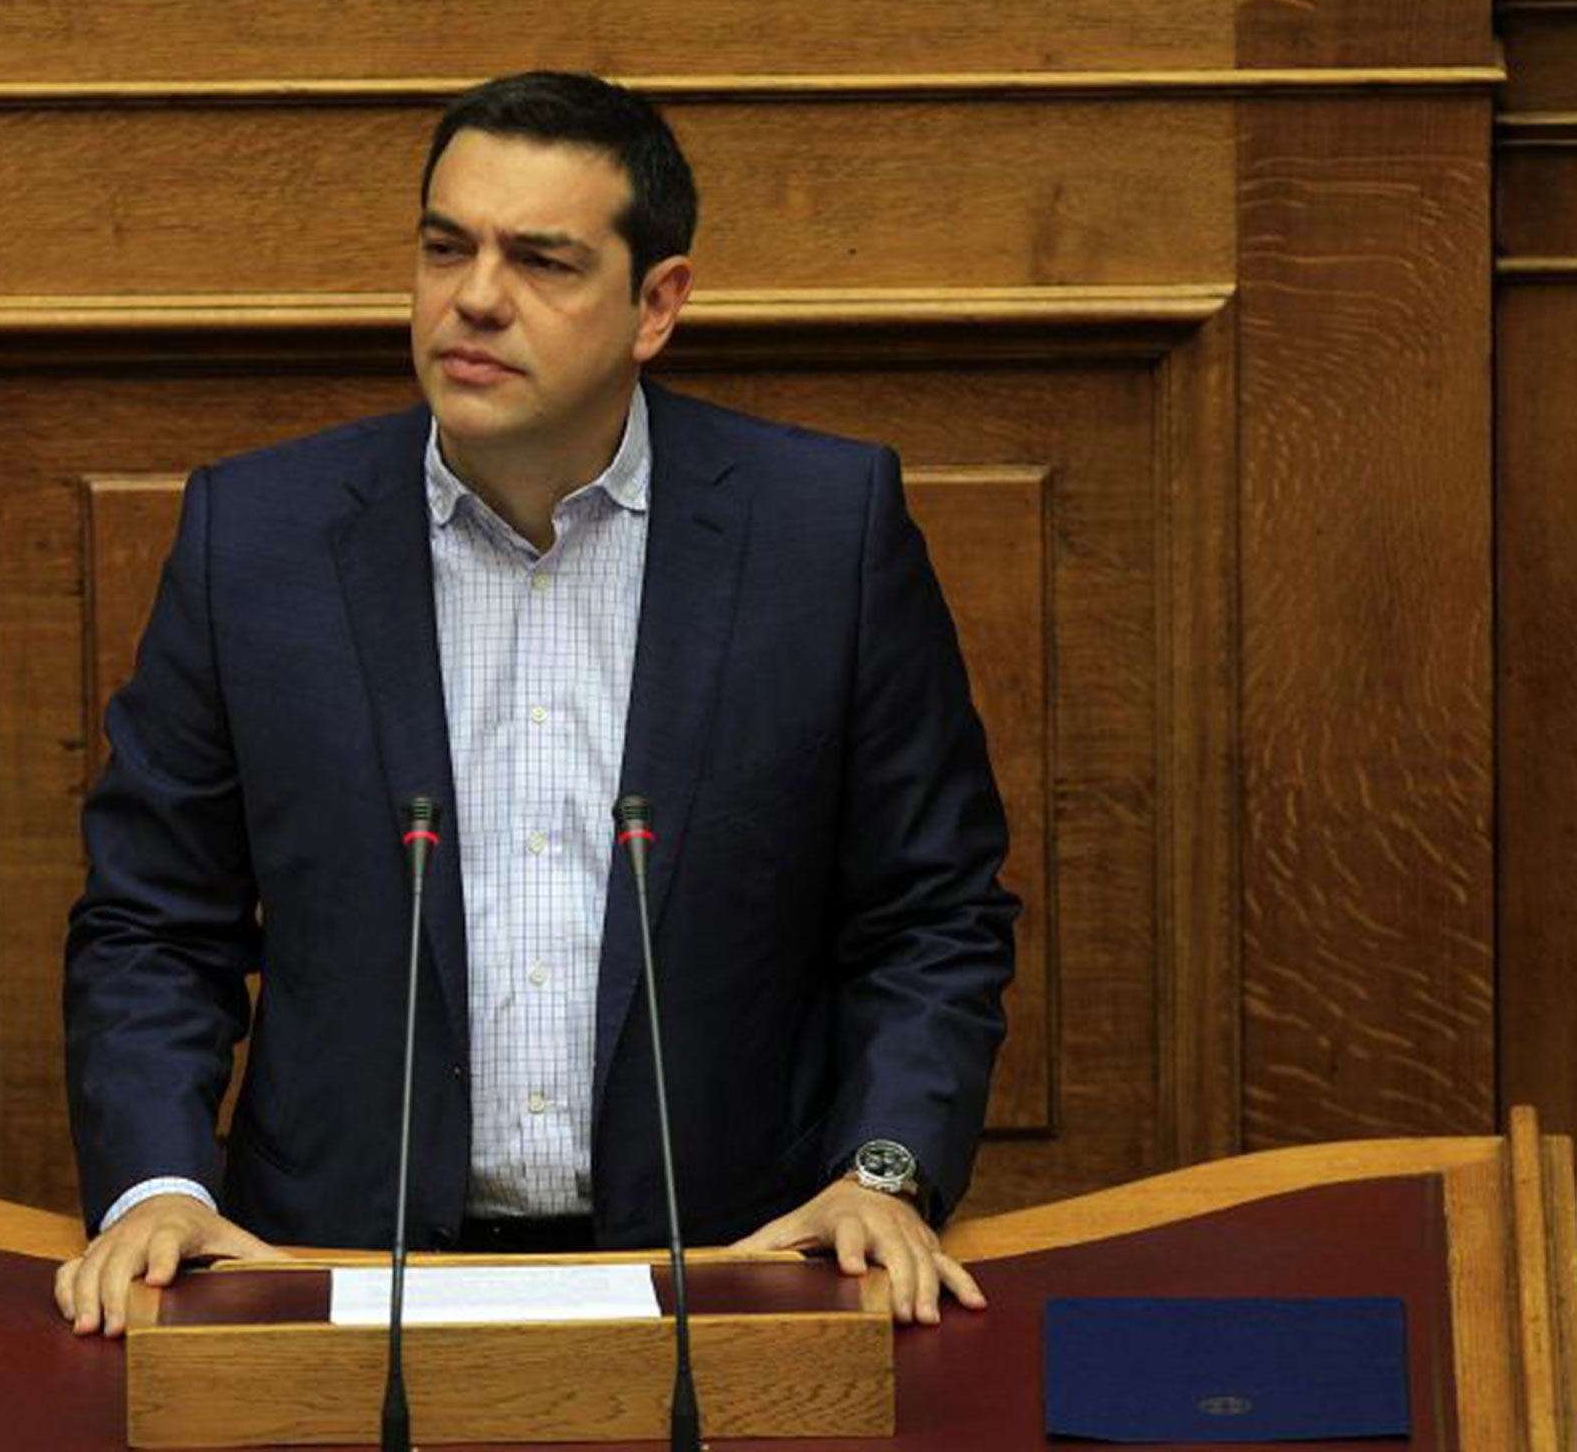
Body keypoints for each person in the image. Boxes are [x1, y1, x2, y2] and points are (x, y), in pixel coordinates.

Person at [55, 72, 1018, 1340]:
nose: (475, 297)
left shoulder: (819, 535)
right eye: (444, 246)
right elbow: (151, 925)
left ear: (655, 304)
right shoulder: (259, 541)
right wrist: (159, 1186)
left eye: (542, 261)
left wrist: (880, 1172)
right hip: (336, 1280)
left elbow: (928, 915)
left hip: (735, 1277)